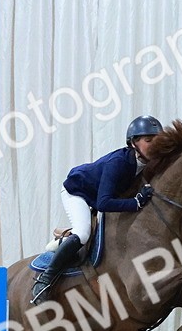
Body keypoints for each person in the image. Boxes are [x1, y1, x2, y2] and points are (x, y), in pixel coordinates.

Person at [29, 115, 163, 303]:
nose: (154, 145)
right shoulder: (119, 162)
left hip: (96, 192)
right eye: (149, 141)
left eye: (157, 140)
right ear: (133, 143)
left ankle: (63, 244)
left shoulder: (150, 163)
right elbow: (104, 203)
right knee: (83, 233)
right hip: (77, 191)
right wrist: (136, 203)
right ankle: (44, 281)